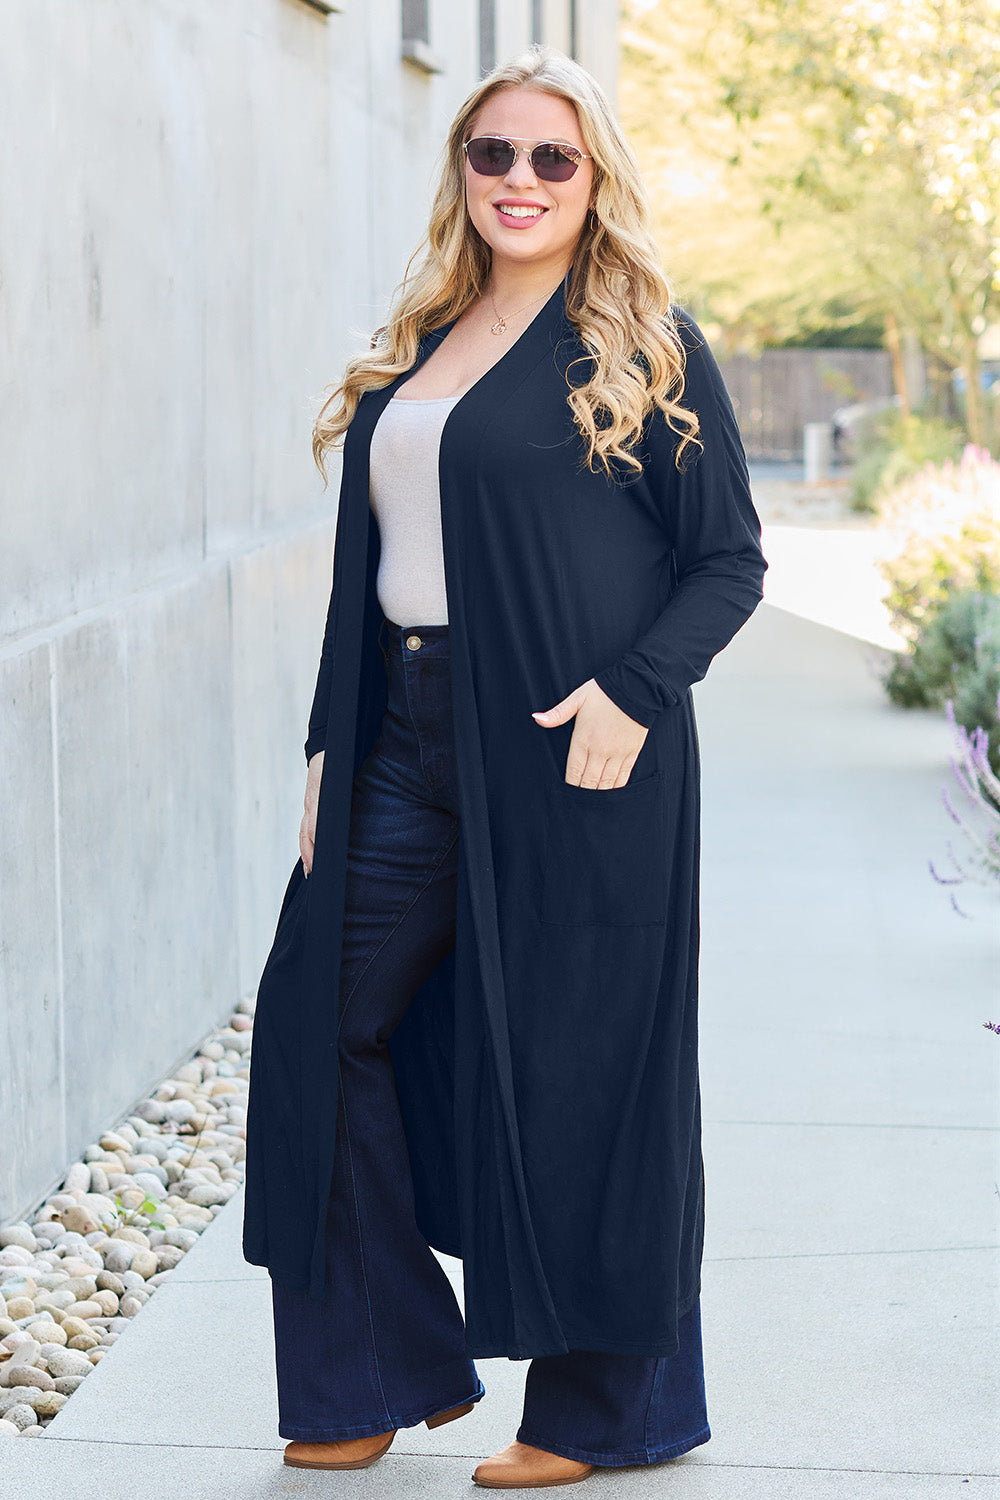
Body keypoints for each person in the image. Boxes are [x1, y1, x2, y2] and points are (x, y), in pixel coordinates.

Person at [242, 43, 768, 1490]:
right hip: (401, 736)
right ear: (460, 174)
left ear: (596, 179)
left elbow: (729, 560)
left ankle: (605, 1413)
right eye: (495, 155)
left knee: (588, 1067)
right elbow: (374, 566)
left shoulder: (645, 344)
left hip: (578, 750)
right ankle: (378, 1361)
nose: (521, 181)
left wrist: (636, 693)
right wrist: (326, 748)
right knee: (316, 1017)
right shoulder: (423, 337)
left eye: (554, 157)